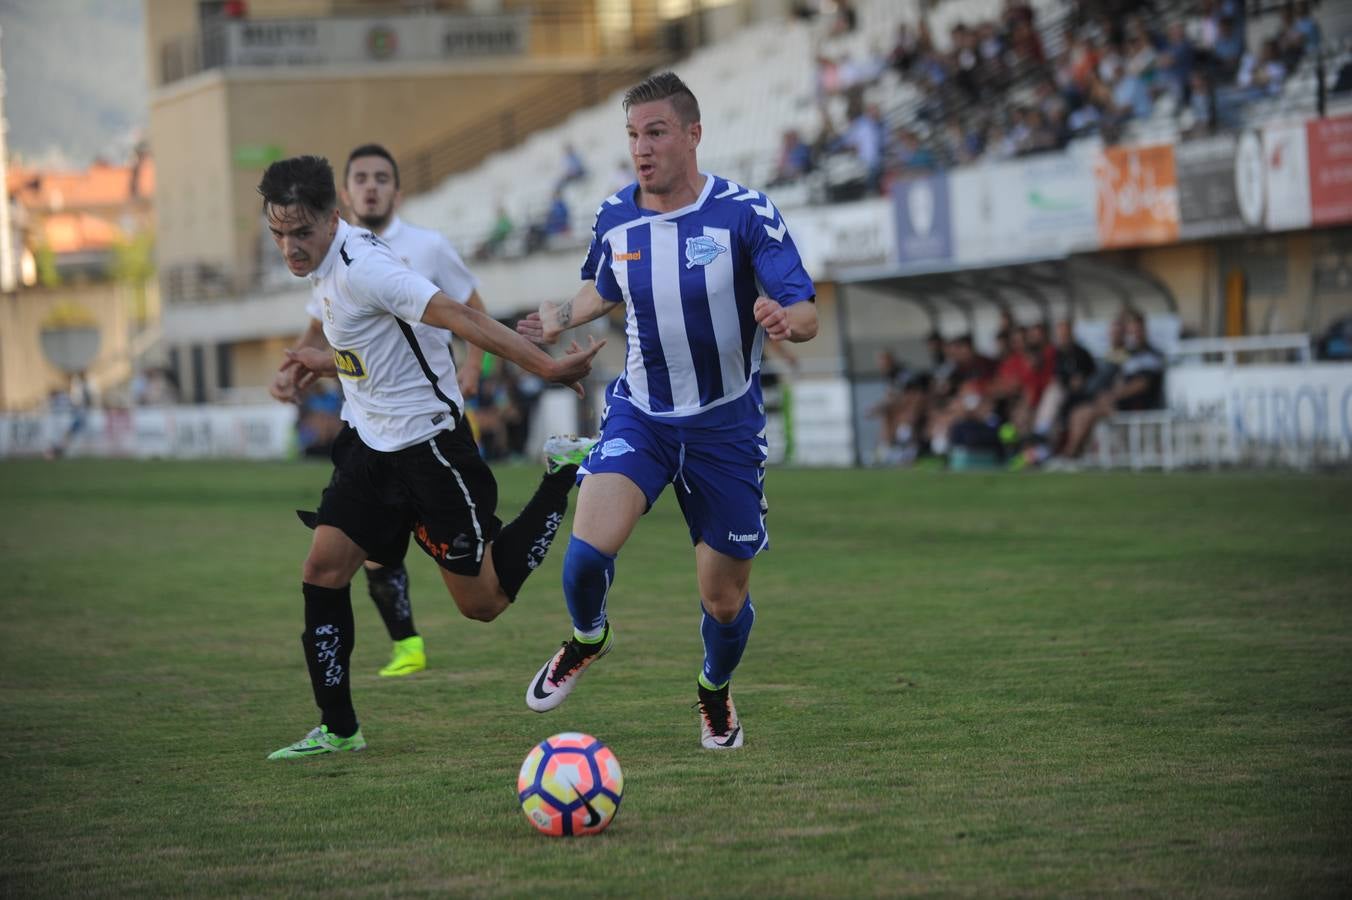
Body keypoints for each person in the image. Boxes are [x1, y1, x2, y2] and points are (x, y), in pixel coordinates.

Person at [259, 154, 603, 759]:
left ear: (331, 217)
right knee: (322, 571)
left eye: (301, 232)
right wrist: (327, 361)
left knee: (483, 603)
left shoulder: (367, 267)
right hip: (368, 449)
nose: (289, 246)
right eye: (277, 232)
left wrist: (547, 366)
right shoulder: (324, 266)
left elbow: (460, 316)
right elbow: (376, 346)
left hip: (430, 452)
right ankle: (339, 729)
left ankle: (561, 473)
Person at [515, 72, 818, 750]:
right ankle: (588, 638)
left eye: (655, 133)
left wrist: (784, 321)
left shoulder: (745, 213)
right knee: (585, 553)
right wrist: (555, 319)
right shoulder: (616, 214)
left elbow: (806, 310)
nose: (641, 148)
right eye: (632, 135)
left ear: (692, 135)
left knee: (723, 601)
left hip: (725, 431)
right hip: (642, 416)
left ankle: (714, 689)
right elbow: (601, 288)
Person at [271, 143, 491, 680]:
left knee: (470, 587)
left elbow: (469, 311)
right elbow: (323, 324)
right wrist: (300, 363)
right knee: (362, 553)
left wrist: (473, 368)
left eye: (381, 178)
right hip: (368, 425)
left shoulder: (423, 247)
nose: (372, 186)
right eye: (361, 178)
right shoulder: (321, 252)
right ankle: (406, 643)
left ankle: (414, 636)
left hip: (425, 423)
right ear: (345, 194)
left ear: (397, 189)